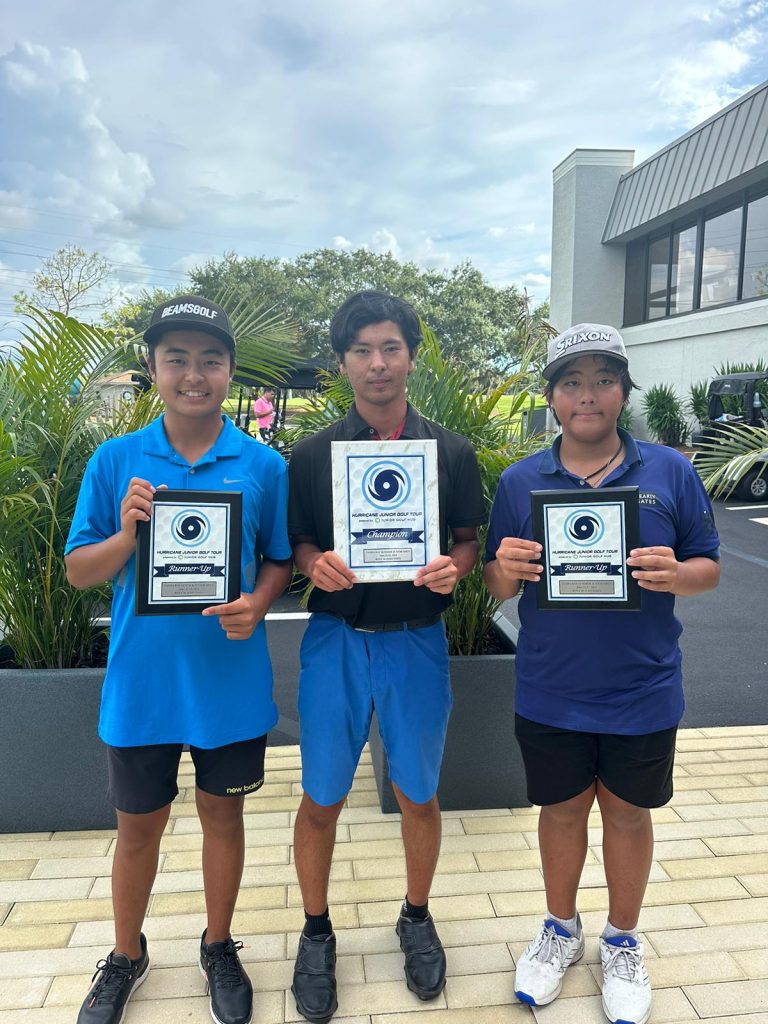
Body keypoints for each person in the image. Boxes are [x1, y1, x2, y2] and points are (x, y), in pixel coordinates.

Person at [65, 295, 292, 1024]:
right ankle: (126, 954)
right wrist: (129, 535)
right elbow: (79, 571)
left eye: (210, 359)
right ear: (153, 367)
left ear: (230, 370)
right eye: (177, 358)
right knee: (138, 830)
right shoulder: (116, 461)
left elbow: (279, 563)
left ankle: (219, 945)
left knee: (223, 822)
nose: (194, 374)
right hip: (143, 688)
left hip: (229, 684)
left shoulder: (261, 464)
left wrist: (257, 605)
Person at [484, 323, 720, 1024]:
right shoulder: (520, 479)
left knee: (626, 812)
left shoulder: (669, 472)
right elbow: (496, 584)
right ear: (552, 397)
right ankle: (560, 928)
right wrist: (508, 567)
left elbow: (708, 567)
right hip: (551, 685)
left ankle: (621, 939)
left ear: (623, 391)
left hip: (641, 687)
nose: (588, 395)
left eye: (603, 380)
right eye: (572, 382)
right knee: (559, 811)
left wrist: (676, 574)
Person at [287, 290, 485, 1023]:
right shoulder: (310, 456)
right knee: (320, 797)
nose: (377, 363)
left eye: (390, 348)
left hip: (415, 643)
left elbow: (467, 537)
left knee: (419, 793)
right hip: (336, 640)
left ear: (410, 355)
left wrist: (454, 567)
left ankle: (415, 914)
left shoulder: (450, 452)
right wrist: (315, 564)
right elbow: (299, 541)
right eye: (362, 350)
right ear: (342, 363)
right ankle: (315, 931)